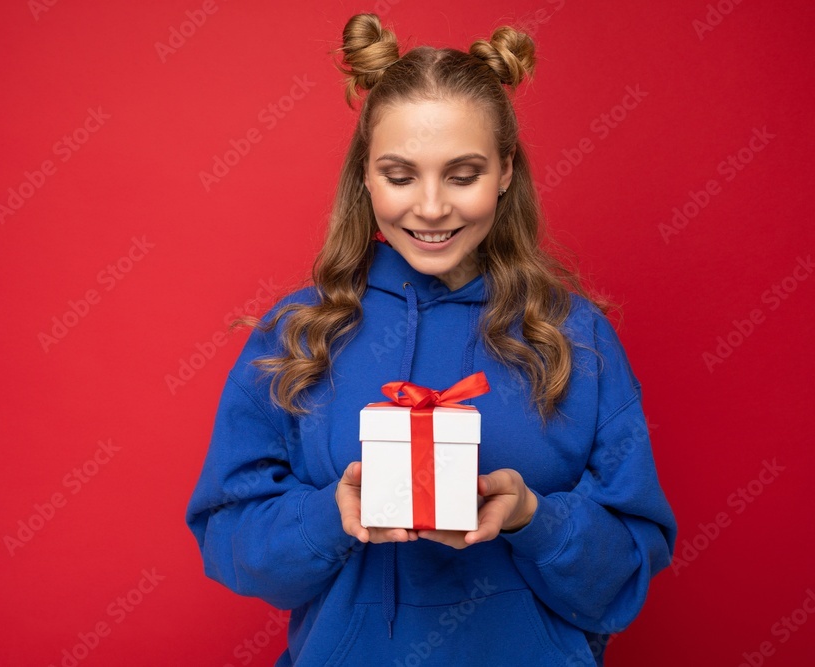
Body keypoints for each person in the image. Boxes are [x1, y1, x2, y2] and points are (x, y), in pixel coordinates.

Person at [185, 12, 677, 666]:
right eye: (400, 175)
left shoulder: (576, 339)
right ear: (365, 174)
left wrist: (532, 517)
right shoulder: (298, 335)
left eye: (463, 174)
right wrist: (334, 516)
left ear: (506, 170)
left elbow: (624, 579)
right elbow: (229, 542)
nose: (432, 206)